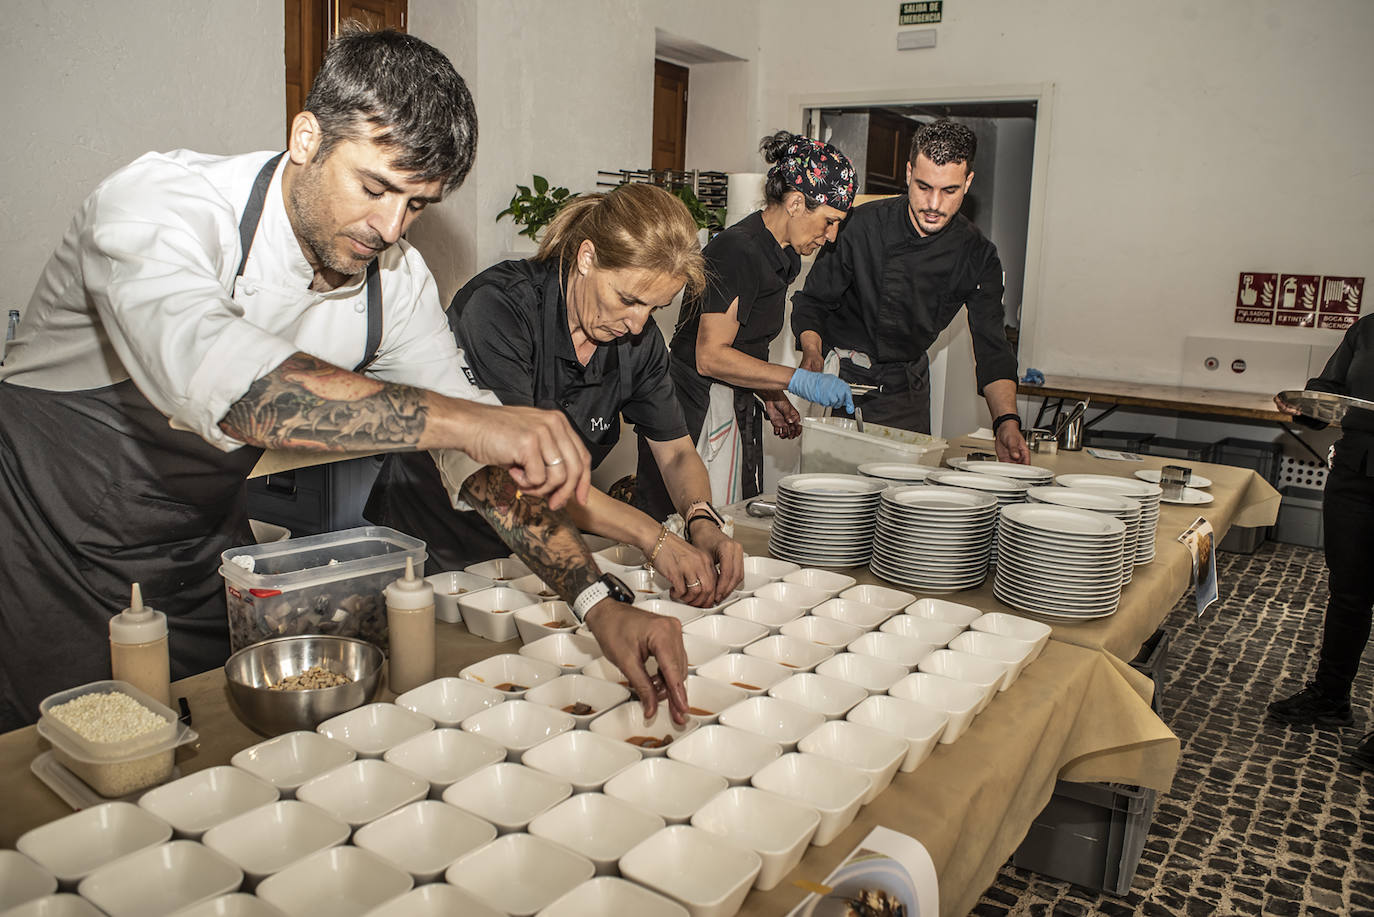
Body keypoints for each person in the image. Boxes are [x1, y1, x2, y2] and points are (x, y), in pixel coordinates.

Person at [0, 29, 684, 731]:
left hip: (201, 546)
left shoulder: (396, 283)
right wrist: (473, 420)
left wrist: (597, 602)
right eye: (375, 187)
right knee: (59, 775)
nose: (390, 227)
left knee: (210, 746)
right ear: (306, 138)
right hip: (50, 546)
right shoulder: (161, 205)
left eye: (417, 204)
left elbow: (478, 465)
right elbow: (242, 394)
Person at [366, 181, 745, 609]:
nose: (638, 325)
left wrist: (702, 519)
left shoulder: (638, 341)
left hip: (542, 552)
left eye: (654, 308)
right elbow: (524, 475)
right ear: (587, 258)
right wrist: (652, 537)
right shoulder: (499, 310)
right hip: (437, 543)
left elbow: (675, 452)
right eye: (628, 299)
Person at [634, 132, 858, 520]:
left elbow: (746, 345)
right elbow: (710, 356)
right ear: (794, 203)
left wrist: (770, 395)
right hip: (693, 412)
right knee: (685, 528)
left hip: (733, 404)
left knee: (733, 522)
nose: (832, 235)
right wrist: (797, 380)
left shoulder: (780, 254)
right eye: (829, 221)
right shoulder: (738, 249)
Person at [790, 118, 1030, 463]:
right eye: (923, 187)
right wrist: (812, 353)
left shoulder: (977, 255)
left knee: (902, 503)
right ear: (907, 174)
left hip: (906, 392)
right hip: (841, 384)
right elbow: (813, 302)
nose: (934, 204)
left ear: (968, 182)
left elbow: (992, 347)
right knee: (831, 498)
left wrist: (1006, 421)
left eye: (949, 191)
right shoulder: (860, 226)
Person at [1267, 313, 1374, 773]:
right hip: (1355, 476)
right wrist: (1305, 405)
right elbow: (1330, 393)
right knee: (1348, 594)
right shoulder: (1367, 330)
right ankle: (1331, 698)